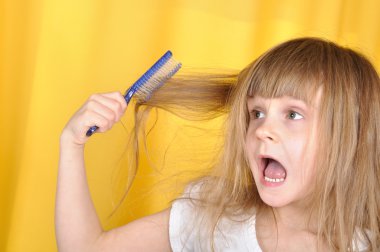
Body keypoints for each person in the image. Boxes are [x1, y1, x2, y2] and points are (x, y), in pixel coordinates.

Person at [55, 37, 380, 251]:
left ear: (351, 135)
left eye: (293, 114)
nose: (263, 129)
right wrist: (71, 144)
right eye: (257, 112)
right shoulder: (214, 219)